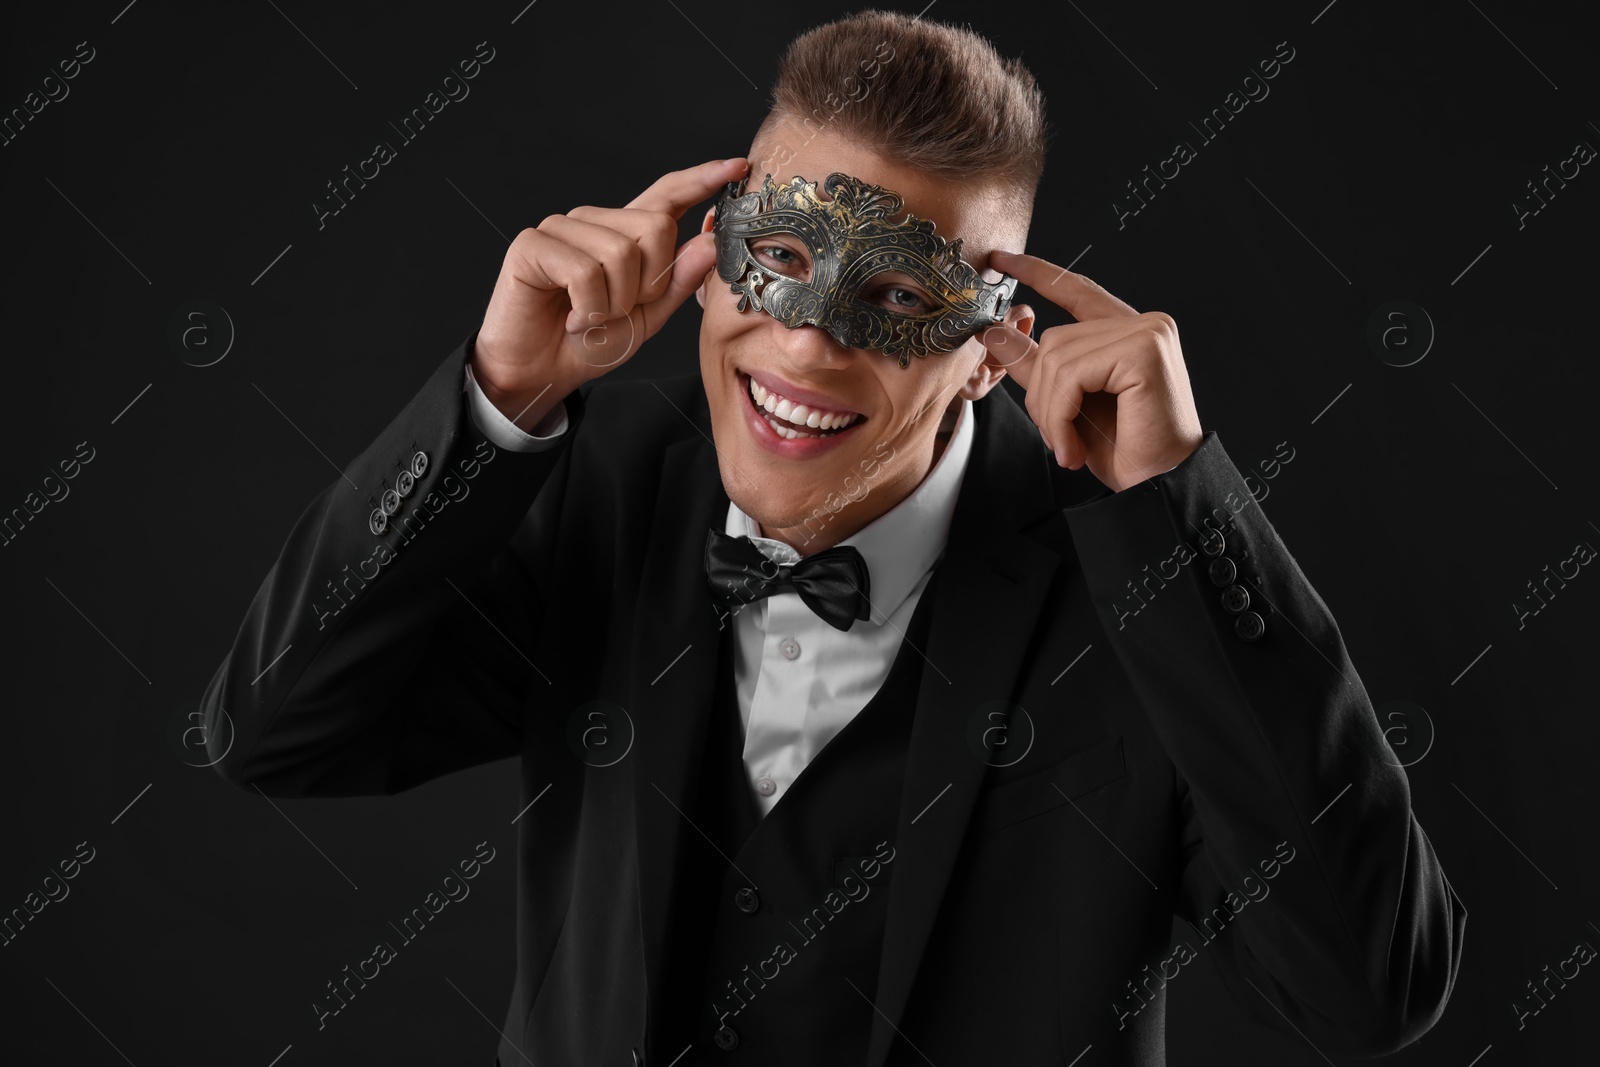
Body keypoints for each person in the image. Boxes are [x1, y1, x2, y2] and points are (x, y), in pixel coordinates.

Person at [201, 10, 1465, 1065]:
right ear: (713, 248)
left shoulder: (1139, 585)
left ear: (987, 347)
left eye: (898, 296)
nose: (807, 341)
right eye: (786, 255)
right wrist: (497, 395)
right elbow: (273, 730)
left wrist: (1185, 506)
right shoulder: (599, 492)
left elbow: (1367, 991)